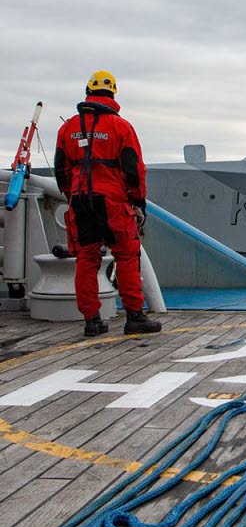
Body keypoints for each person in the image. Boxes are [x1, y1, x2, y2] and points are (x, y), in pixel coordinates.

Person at [55, 70, 161, 338]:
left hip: (80, 200)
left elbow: (60, 170)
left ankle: (92, 321)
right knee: (126, 256)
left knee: (86, 258)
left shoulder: (67, 128)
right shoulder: (121, 127)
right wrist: (137, 202)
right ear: (113, 93)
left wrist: (71, 194)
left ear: (87, 92)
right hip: (112, 201)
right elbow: (134, 169)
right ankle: (134, 317)